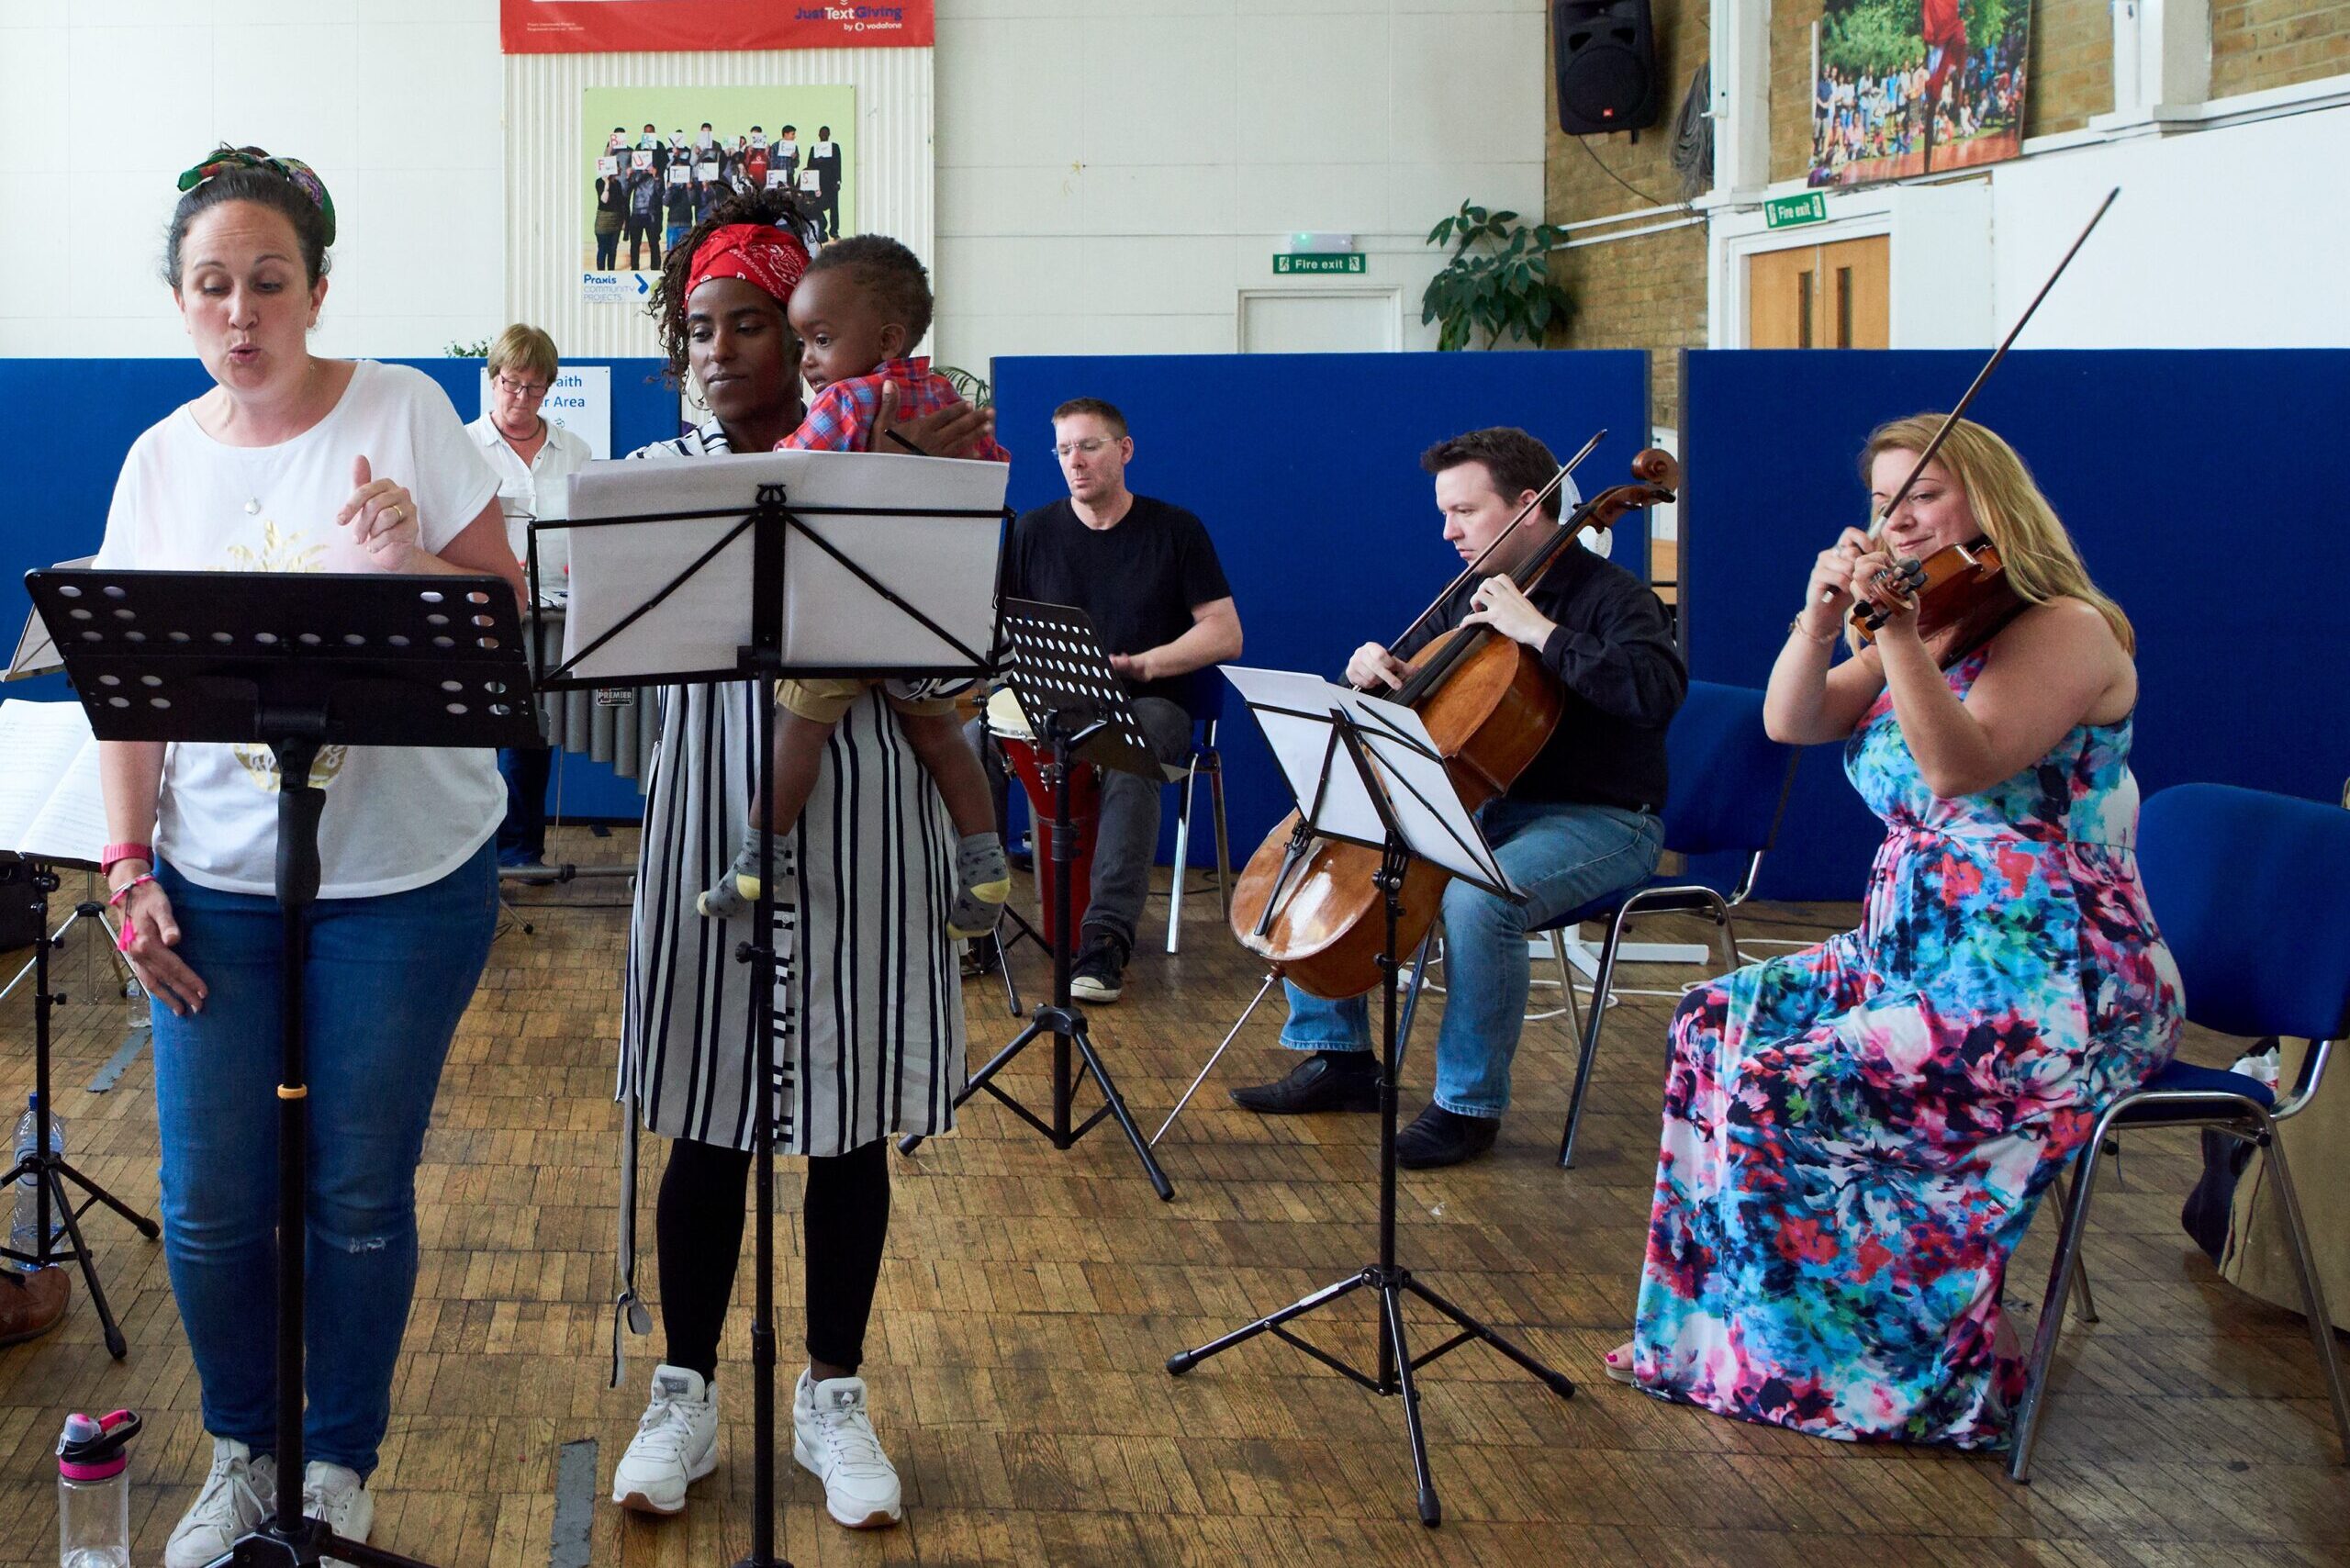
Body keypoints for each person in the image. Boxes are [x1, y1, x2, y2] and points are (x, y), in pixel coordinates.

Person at [98, 147, 525, 1568]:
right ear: (180, 302)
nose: (241, 311)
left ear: (316, 289)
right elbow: (130, 697)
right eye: (211, 286)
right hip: (213, 880)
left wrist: (416, 560)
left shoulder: (405, 410)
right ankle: (242, 1447)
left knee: (353, 1192)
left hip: (404, 882)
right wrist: (125, 867)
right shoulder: (159, 461)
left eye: (268, 283)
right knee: (213, 1202)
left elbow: (504, 613)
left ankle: (334, 1463)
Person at [1608, 416, 2182, 1449]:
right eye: (1883, 500)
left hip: (2046, 980)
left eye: (1922, 493)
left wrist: (1899, 633)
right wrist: (1822, 617)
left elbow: (1962, 764)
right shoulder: (1937, 619)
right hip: (1910, 953)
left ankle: (1839, 1372)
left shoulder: (2063, 627)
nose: (1899, 516)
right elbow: (1793, 720)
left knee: (1780, 1082)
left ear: (1988, 500)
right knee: (1708, 1025)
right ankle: (1726, 1343)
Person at [608, 188, 998, 1534]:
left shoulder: (910, 449)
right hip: (714, 816)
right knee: (706, 1116)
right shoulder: (654, 480)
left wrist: (925, 498)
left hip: (869, 812)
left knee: (843, 1126)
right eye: (696, 328)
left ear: (812, 340)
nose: (716, 351)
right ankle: (684, 1388)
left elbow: (952, 660)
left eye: (752, 326)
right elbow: (613, 659)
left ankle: (834, 1395)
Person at [1229, 428, 1683, 1168]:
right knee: (1344, 835)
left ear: (1528, 505)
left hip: (1601, 818)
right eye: (1446, 513)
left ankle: (1467, 1107)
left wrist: (1539, 632)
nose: (1448, 531)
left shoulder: (1613, 599)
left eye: (1465, 512)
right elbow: (1424, 710)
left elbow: (1655, 694)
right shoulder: (1472, 603)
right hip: (1488, 809)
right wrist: (1371, 679)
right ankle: (1338, 1058)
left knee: (1480, 898)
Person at [696, 235, 1014, 937]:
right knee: (942, 739)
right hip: (924, 613)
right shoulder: (945, 396)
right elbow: (988, 483)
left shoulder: (846, 399)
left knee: (799, 725)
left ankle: (756, 856)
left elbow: (784, 476)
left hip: (850, 610)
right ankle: (987, 862)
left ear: (885, 337)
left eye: (818, 338)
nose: (809, 357)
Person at [969, 398, 1242, 1003]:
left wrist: (1144, 662)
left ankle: (1104, 940)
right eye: (1064, 450)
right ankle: (978, 920)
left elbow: (1225, 632)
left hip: (1150, 701)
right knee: (972, 742)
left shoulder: (1176, 530)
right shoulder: (1034, 532)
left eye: (1089, 446)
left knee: (1126, 749)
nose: (1076, 462)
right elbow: (994, 630)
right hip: (1053, 700)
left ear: (1125, 450)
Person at [466, 323, 593, 868]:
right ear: (493, 381)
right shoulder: (465, 448)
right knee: (476, 738)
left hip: (552, 609)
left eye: (535, 389)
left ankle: (522, 851)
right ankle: (469, 856)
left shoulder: (577, 450)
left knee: (533, 733)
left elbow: (590, 530)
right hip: (483, 609)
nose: (522, 398)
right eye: (512, 385)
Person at [809, 126, 843, 241]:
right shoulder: (814, 148)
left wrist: (838, 181)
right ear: (818, 135)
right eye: (822, 133)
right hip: (818, 183)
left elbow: (838, 164)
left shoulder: (835, 147)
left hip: (832, 182)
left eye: (826, 133)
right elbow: (809, 165)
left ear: (829, 134)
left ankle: (834, 231)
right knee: (817, 206)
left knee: (834, 207)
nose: (824, 135)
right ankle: (822, 230)